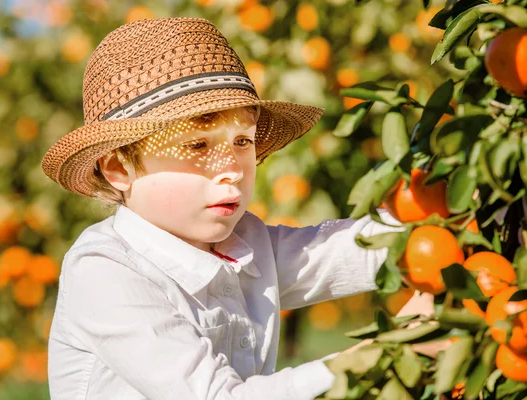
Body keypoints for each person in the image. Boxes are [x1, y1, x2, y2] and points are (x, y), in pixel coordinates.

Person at [41, 17, 402, 400]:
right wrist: (380, 357)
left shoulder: (248, 242)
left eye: (242, 141)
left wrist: (440, 226)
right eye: (197, 146)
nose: (231, 169)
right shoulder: (103, 272)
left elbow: (349, 252)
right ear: (118, 168)